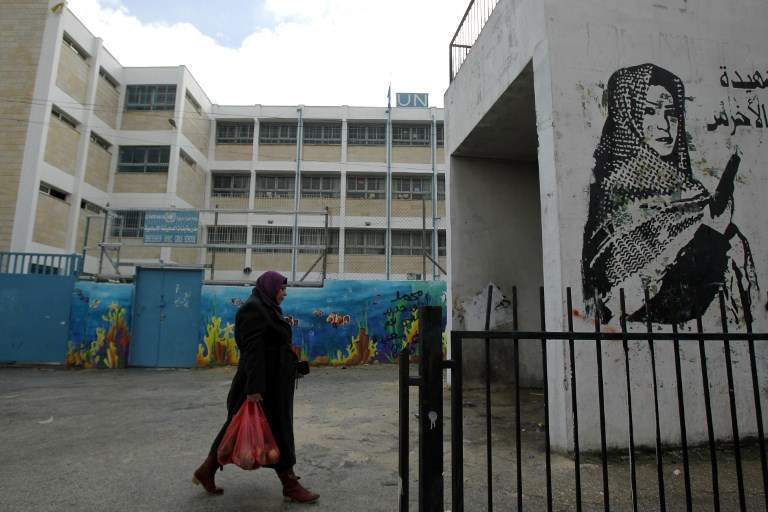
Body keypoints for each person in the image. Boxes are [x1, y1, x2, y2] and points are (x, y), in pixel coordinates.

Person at [582, 63, 758, 325]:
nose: (664, 125)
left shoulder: (689, 195)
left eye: (672, 113)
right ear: (627, 117)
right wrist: (711, 236)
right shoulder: (616, 203)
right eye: (650, 111)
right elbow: (631, 306)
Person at [193, 270, 319, 504]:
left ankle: (206, 470)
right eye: (282, 289)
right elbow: (253, 351)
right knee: (278, 431)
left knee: (234, 428)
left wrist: (293, 366)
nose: (285, 293)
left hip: (270, 383)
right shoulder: (255, 310)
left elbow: (273, 347)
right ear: (271, 287)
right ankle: (290, 484)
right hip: (261, 387)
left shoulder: (266, 307)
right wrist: (254, 389)